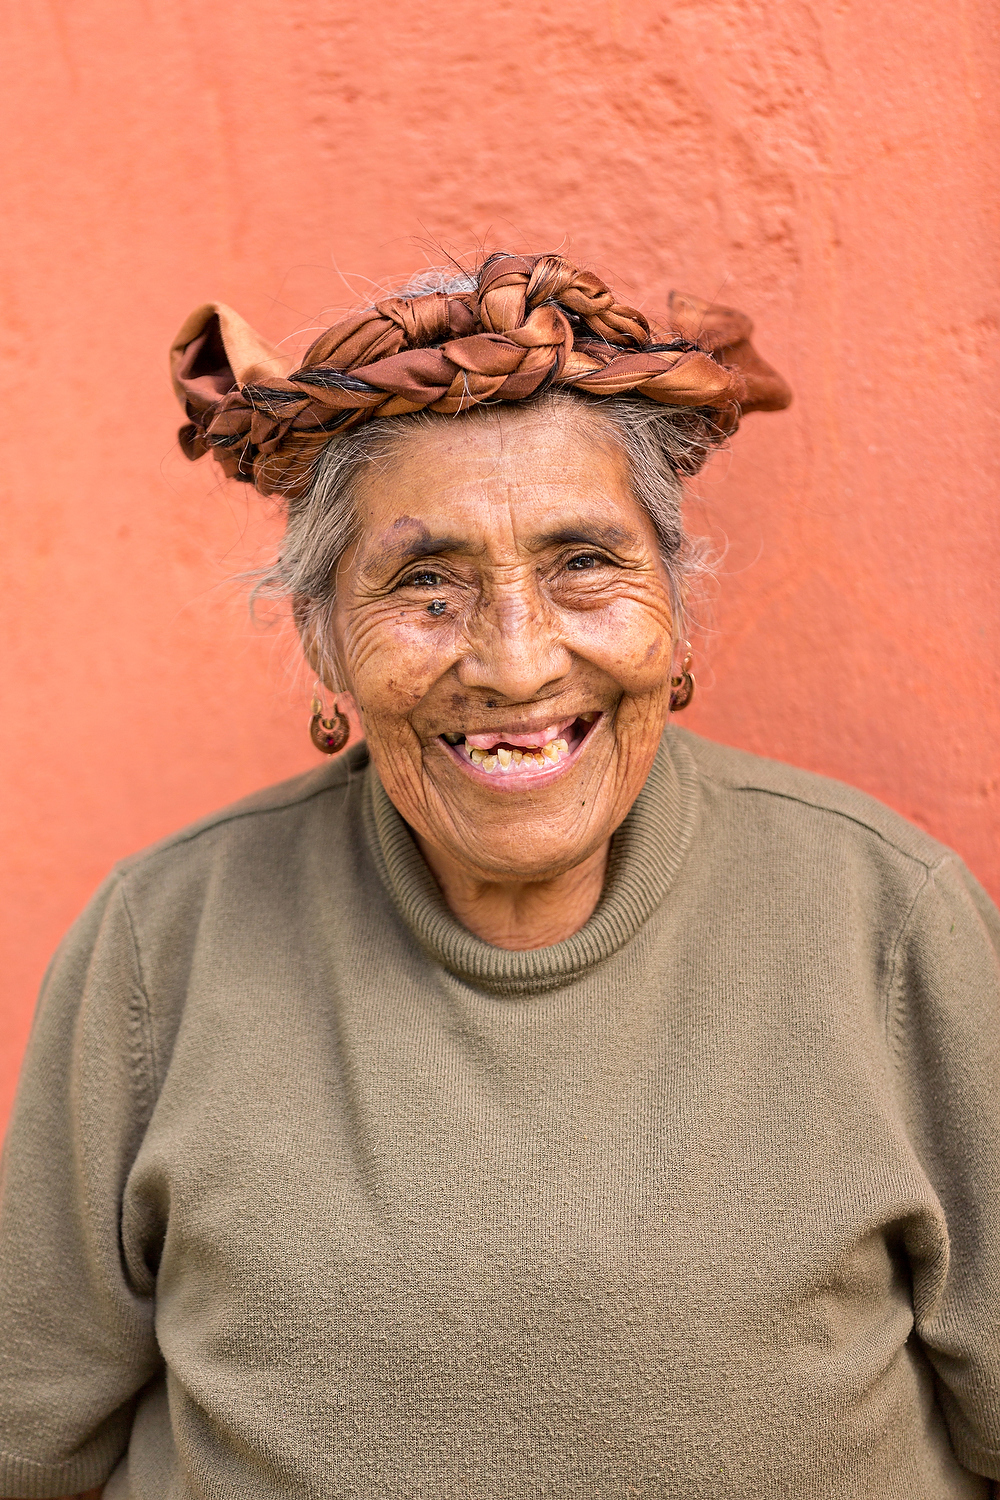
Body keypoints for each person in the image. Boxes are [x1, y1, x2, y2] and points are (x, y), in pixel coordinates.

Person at [0, 251, 997, 1500]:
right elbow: (26, 1443)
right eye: (427, 583)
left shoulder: (888, 923)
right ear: (322, 640)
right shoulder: (162, 944)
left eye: (584, 563)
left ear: (675, 614)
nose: (517, 664)